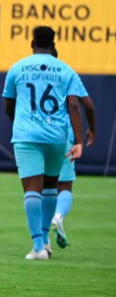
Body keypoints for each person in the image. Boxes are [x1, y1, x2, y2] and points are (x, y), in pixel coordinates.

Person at [2, 26, 84, 260]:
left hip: (27, 135)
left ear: (32, 42)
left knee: (31, 191)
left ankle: (39, 246)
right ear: (54, 42)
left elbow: (9, 104)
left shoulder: (17, 68)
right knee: (50, 189)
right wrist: (78, 139)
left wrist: (20, 122)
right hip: (57, 136)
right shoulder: (65, 70)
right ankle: (46, 239)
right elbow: (75, 105)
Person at [49, 51, 96, 249]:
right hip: (63, 134)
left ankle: (42, 243)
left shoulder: (27, 72)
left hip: (37, 135)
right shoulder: (67, 73)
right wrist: (91, 129)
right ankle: (58, 216)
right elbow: (87, 105)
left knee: (42, 189)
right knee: (65, 186)